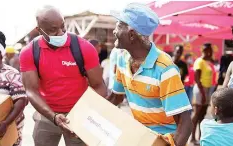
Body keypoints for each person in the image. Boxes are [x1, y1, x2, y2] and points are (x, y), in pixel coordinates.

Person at [19, 6, 107, 146]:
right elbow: (31, 91)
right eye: (53, 30)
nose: (60, 33)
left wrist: (82, 114)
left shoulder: (84, 48)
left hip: (79, 113)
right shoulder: (29, 52)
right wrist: (53, 117)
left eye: (62, 26)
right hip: (46, 113)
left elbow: (99, 86)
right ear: (39, 30)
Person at [107, 3, 192, 146]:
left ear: (132, 34)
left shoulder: (165, 69)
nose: (114, 31)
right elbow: (116, 97)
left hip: (162, 140)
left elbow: (186, 123)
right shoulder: (122, 59)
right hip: (140, 137)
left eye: (119, 25)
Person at [191, 43, 214, 144]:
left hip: (207, 89)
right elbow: (197, 79)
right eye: (209, 51)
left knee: (202, 115)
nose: (211, 53)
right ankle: (192, 138)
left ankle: (200, 137)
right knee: (196, 115)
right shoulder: (199, 61)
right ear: (205, 51)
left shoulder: (207, 62)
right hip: (200, 90)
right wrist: (203, 94)